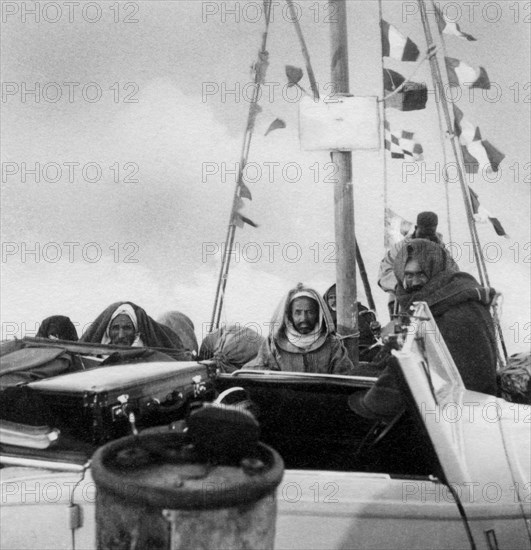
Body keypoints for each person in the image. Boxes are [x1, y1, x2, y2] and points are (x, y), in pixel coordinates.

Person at [393, 239, 498, 395]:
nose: (414, 282)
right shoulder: (430, 302)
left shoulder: (457, 308)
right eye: (408, 275)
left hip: (465, 405)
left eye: (421, 274)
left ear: (436, 270)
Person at [245, 283, 354, 374]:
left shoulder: (332, 344)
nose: (304, 318)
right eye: (298, 313)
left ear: (318, 315)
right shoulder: (274, 343)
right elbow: (260, 372)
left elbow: (345, 376)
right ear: (289, 315)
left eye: (310, 312)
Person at [378, 211, 448, 316]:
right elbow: (384, 273)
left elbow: (453, 272)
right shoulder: (399, 249)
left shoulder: (442, 252)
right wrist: (403, 284)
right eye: (423, 234)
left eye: (430, 234)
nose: (426, 239)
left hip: (436, 301)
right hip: (403, 303)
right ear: (416, 228)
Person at [81, 301, 184, 350]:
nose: (121, 335)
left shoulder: (152, 358)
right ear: (107, 332)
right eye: (115, 328)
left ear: (136, 331)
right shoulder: (92, 358)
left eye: (127, 328)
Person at [323, 283, 379, 358]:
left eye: (337, 297)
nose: (334, 300)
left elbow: (368, 335)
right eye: (331, 297)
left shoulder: (361, 311)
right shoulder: (324, 317)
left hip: (360, 350)